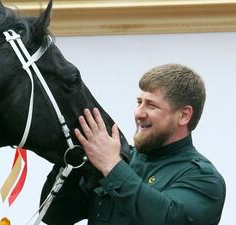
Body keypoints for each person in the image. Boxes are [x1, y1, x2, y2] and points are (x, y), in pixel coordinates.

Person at [41, 64, 226, 225]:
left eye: (151, 106)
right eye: (139, 102)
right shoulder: (121, 158)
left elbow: (168, 219)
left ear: (184, 115)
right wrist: (73, 161)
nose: (139, 113)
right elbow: (55, 216)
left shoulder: (204, 179)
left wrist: (112, 167)